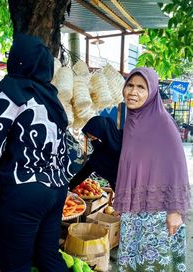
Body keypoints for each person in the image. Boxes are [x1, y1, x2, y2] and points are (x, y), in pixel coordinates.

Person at [0, 34, 71, 272]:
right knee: (48, 257)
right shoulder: (51, 99)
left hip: (23, 191)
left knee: (16, 265)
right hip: (55, 190)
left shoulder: (11, 91)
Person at [113, 67, 191, 271]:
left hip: (158, 210)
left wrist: (175, 210)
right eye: (130, 85)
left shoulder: (162, 123)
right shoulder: (132, 119)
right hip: (133, 209)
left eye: (141, 87)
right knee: (132, 262)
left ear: (152, 92)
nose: (133, 92)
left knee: (154, 264)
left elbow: (178, 167)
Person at [69, 116, 123, 191]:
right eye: (91, 138)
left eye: (95, 138)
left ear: (104, 133)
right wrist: (68, 187)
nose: (93, 142)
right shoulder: (100, 153)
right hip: (120, 192)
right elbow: (85, 172)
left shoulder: (126, 140)